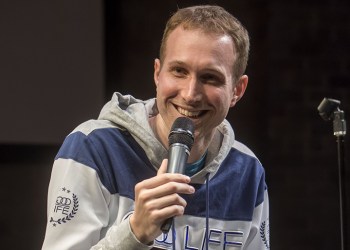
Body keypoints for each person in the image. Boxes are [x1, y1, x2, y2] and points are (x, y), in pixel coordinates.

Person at [42, 5, 270, 250]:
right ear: (158, 74)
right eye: (179, 71)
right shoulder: (92, 148)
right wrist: (134, 233)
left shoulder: (247, 170)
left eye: (210, 77)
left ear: (237, 90)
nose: (190, 94)